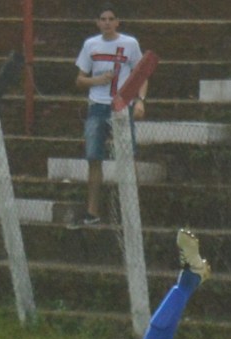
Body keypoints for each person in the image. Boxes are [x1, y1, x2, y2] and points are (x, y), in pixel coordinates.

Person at [72, 3, 147, 227]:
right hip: (97, 106)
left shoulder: (130, 44)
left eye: (110, 19)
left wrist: (140, 102)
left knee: (128, 156)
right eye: (102, 19)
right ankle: (92, 211)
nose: (106, 22)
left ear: (117, 22)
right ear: (97, 22)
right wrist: (97, 80)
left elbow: (141, 74)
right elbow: (79, 79)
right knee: (94, 158)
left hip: (122, 106)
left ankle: (131, 210)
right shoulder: (90, 45)